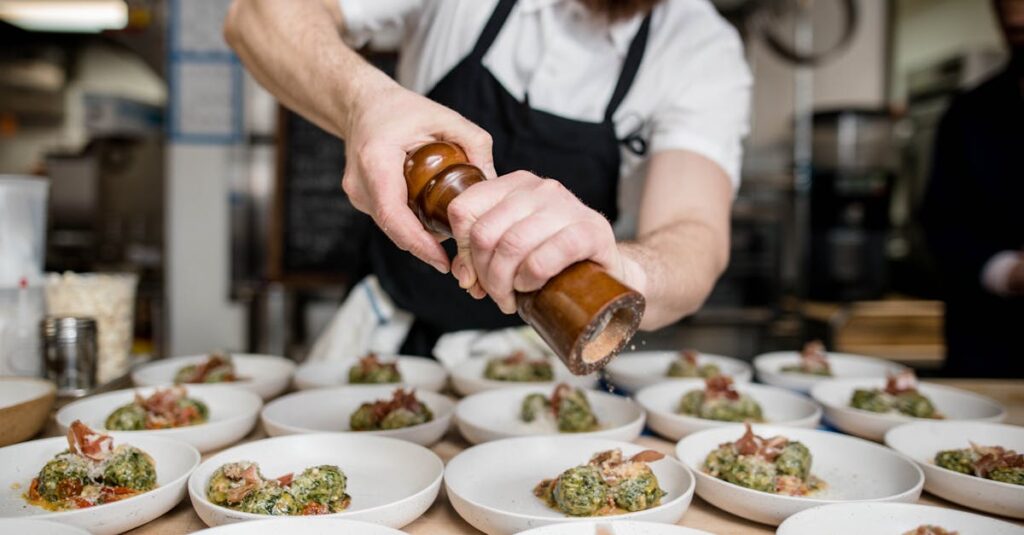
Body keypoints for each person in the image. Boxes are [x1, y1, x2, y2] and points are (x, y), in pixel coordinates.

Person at [224, 0, 750, 356]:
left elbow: (694, 235)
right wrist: (365, 102)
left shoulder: (699, 46)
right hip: (390, 334)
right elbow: (256, 16)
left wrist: (620, 269)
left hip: (538, 364)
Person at [922, 0, 1024, 377]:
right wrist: (1009, 271)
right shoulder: (970, 113)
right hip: (990, 347)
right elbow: (941, 222)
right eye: (1014, 28)